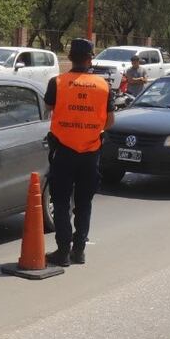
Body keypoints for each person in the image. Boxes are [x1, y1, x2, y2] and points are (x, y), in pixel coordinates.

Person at [44, 38, 115, 267]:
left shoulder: (57, 82)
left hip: (64, 152)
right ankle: (79, 251)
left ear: (70, 58)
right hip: (91, 153)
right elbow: (110, 121)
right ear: (90, 59)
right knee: (84, 203)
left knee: (61, 202)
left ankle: (63, 252)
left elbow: (49, 108)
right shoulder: (103, 86)